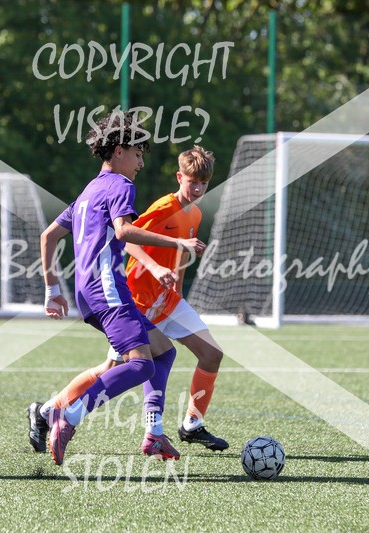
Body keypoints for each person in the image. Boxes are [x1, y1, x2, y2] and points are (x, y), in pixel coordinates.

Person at [28, 145, 228, 456]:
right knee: (130, 365)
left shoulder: (90, 190)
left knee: (178, 355)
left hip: (151, 297)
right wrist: (159, 261)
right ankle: (59, 414)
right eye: (137, 154)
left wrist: (52, 290)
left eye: (204, 182)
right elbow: (126, 234)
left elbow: (49, 235)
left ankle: (166, 430)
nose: (141, 163)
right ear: (119, 152)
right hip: (124, 292)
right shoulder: (127, 189)